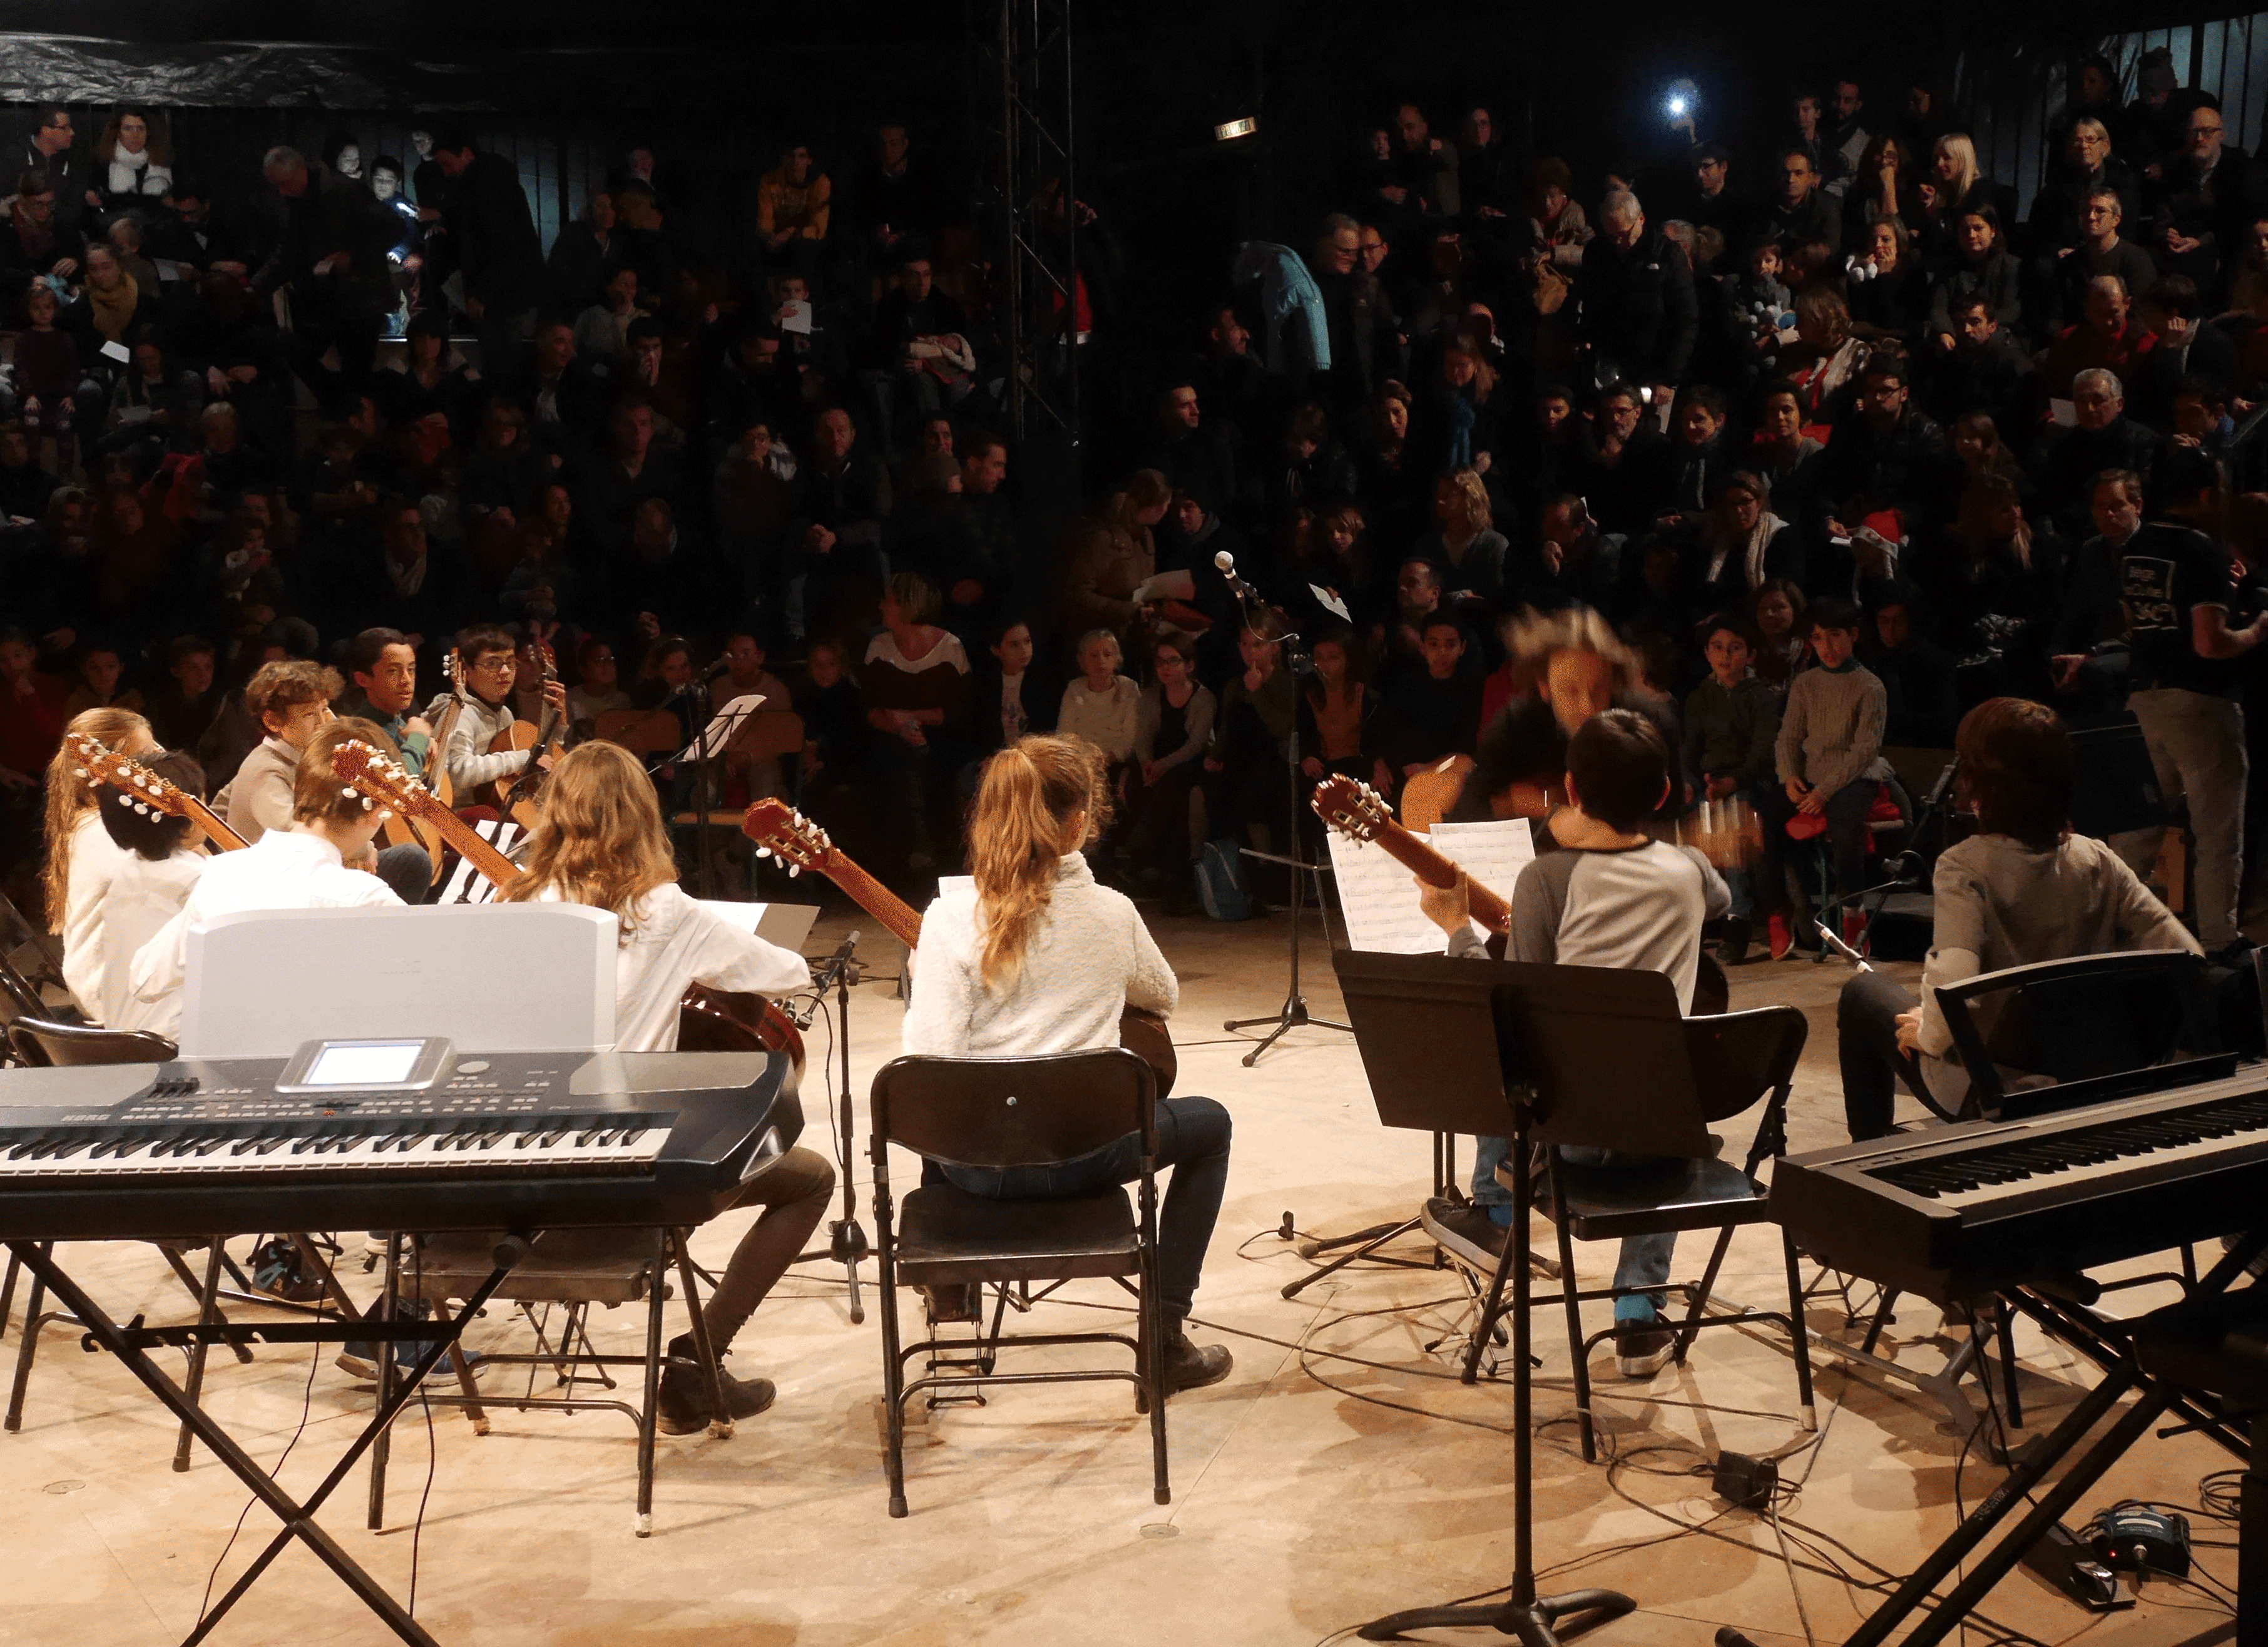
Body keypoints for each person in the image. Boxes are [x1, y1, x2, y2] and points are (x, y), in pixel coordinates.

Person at [500, 739, 830, 1432]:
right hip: (625, 1172)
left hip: (520, 1167)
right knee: (810, 1180)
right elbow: (782, 970)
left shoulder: (516, 900)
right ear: (639, 815)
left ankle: (695, 1367)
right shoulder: (663, 908)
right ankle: (695, 1362)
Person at [900, 734, 1233, 1397]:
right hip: (1089, 1158)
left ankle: (954, 1294)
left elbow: (927, 1062)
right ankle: (1163, 1334)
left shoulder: (947, 919)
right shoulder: (1113, 912)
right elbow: (1163, 993)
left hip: (976, 1171)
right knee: (1213, 1125)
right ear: (1081, 820)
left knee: (934, 1096)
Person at [1421, 710, 1729, 1377]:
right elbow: (1723, 900)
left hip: (1566, 1143)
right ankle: (1638, 1314)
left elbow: (1512, 1002)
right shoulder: (1692, 869)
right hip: (1664, 1135)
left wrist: (1458, 930)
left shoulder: (1549, 880)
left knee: (1512, 1046)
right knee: (1654, 1075)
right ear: (1663, 795)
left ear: (1570, 787)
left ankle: (1495, 1212)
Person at [1837, 699, 2197, 1140]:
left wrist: (1927, 1036)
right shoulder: (2099, 860)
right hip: (2088, 1073)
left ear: (1978, 786)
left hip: (1993, 1089)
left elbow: (1955, 976)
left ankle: (1871, 1162)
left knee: (1862, 993)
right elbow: (2186, 957)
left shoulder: (1963, 866)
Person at [129, 719, 408, 1038]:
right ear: (377, 811)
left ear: (296, 789)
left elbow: (144, 979)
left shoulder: (220, 873)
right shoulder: (366, 898)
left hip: (228, 1070)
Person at [1754, 596, 1891, 959]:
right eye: (1817, 639)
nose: (1826, 647)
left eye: (1834, 637)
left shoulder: (1870, 686)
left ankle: (1852, 914)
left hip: (1852, 776)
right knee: (1765, 819)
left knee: (1846, 826)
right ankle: (1777, 912)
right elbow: (1788, 737)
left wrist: (1825, 792)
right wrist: (1789, 777)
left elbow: (1864, 751)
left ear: (1853, 635)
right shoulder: (1806, 683)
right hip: (1811, 776)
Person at [84, 749, 206, 1033]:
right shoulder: (195, 878)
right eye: (201, 805)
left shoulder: (128, 869)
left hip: (121, 1034)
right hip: (173, 1042)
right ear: (184, 823)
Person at [1681, 618, 1780, 960]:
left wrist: (1732, 782)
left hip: (1749, 782)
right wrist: (1690, 782)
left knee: (1731, 820)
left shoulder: (1762, 696)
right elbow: (1689, 750)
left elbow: (1762, 754)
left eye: (1735, 648)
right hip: (1709, 783)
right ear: (1708, 653)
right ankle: (1694, 917)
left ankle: (1737, 918)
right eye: (1718, 648)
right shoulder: (1700, 696)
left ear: (1749, 654)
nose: (1726, 656)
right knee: (1683, 825)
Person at [47, 705, 157, 1009]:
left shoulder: (107, 821)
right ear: (105, 767)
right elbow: (164, 879)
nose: (159, 763)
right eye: (147, 755)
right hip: (106, 992)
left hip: (118, 979)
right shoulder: (100, 830)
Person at [216, 660, 340, 845]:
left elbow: (220, 805)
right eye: (309, 714)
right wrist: (363, 848)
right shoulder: (267, 770)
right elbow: (301, 839)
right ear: (273, 721)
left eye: (324, 710)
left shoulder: (300, 757)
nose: (322, 723)